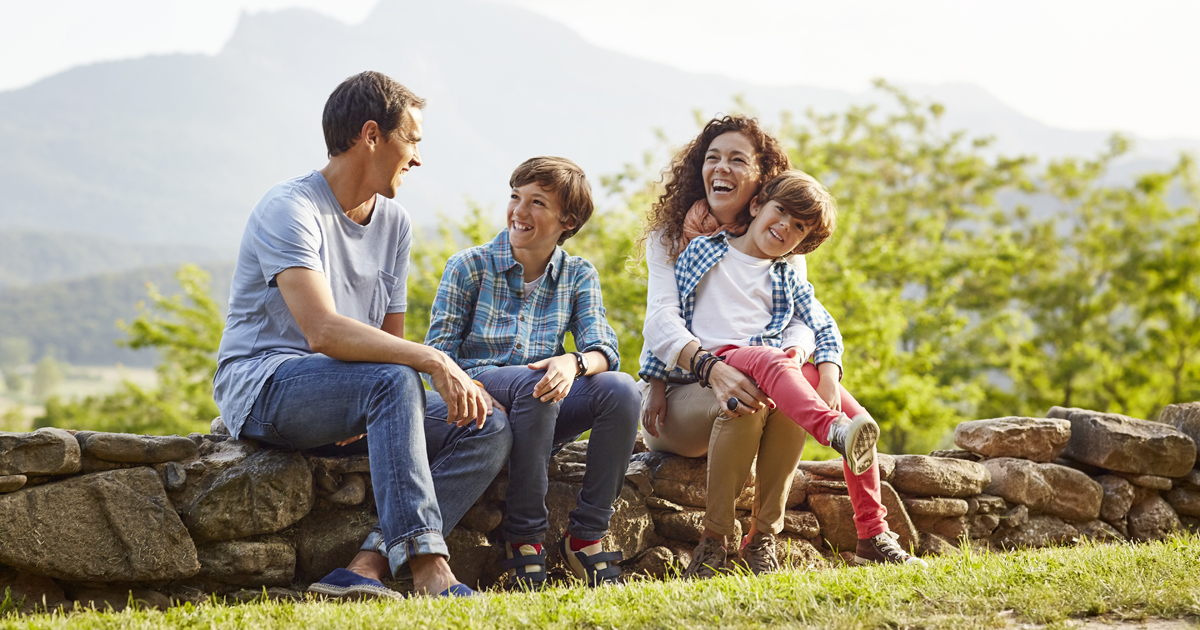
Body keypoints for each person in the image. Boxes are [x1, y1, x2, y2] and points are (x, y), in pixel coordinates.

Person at [212, 71, 511, 599]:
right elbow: (322, 331)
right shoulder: (290, 209)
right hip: (266, 387)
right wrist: (434, 363)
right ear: (372, 135)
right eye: (412, 140)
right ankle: (430, 572)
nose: (417, 158)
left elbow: (386, 340)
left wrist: (375, 394)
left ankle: (366, 565)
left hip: (356, 391)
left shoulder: (395, 223)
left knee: (484, 424)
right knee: (394, 381)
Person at [638, 117, 923, 577]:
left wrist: (821, 366)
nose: (721, 168)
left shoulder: (788, 263)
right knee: (761, 380)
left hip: (771, 366)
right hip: (702, 377)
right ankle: (717, 541)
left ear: (759, 179)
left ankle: (864, 533)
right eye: (714, 157)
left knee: (840, 412)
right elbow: (665, 318)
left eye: (737, 159)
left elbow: (810, 320)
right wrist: (655, 377)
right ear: (759, 205)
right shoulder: (694, 246)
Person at [425, 157, 640, 589]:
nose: (519, 211)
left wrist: (574, 361)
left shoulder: (578, 275)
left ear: (568, 220)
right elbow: (438, 356)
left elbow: (605, 349)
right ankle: (524, 538)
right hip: (482, 388)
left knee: (622, 389)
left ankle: (586, 537)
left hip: (543, 403)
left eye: (536, 202)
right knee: (536, 383)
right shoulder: (469, 266)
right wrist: (472, 387)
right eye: (515, 197)